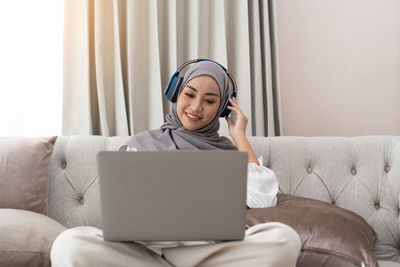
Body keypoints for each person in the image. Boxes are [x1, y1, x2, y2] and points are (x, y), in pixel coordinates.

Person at [50, 60, 301, 267]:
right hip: (146, 254)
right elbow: (121, 212)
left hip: (209, 254)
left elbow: (263, 201)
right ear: (175, 94)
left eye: (210, 101)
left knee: (284, 238)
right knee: (69, 244)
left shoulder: (228, 153)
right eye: (189, 95)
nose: (195, 107)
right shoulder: (142, 143)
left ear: (223, 108)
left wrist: (240, 137)